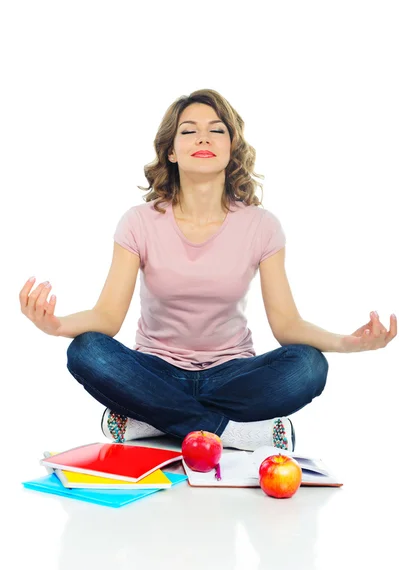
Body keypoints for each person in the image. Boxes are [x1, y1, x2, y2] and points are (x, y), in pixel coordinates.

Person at [19, 89, 396, 452]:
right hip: (155, 370)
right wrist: (56, 325)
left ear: (231, 148)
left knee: (309, 365)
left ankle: (154, 420)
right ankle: (230, 432)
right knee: (87, 351)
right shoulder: (138, 222)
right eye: (189, 130)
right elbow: (107, 317)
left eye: (217, 129)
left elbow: (287, 326)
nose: (204, 137)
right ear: (171, 150)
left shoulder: (261, 226)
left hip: (232, 376)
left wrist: (349, 343)